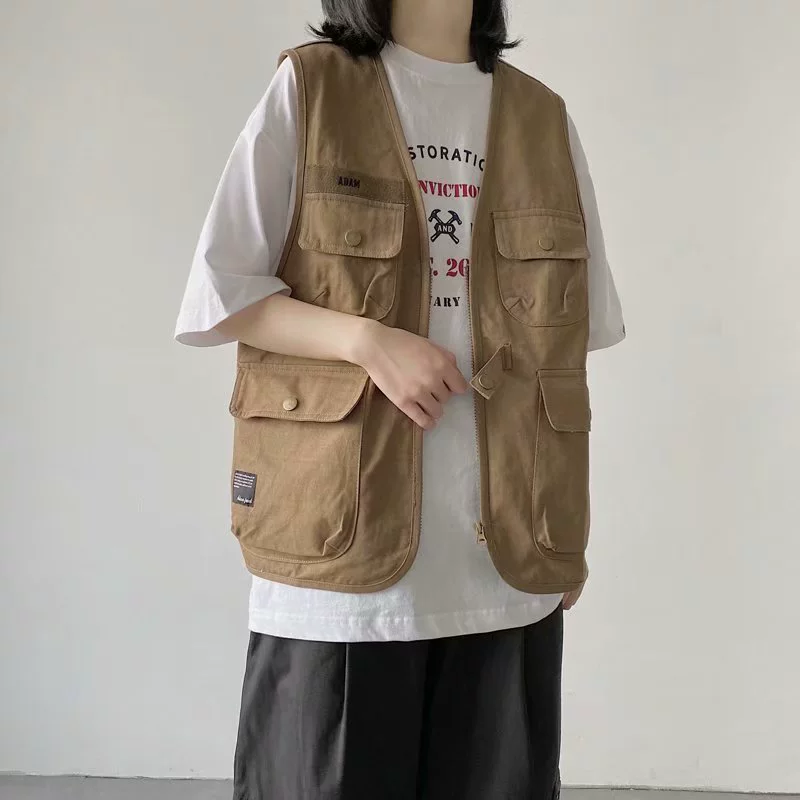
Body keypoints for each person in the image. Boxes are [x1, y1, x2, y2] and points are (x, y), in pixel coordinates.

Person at [174, 0, 625, 797]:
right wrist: (367, 341)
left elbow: (563, 354)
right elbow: (220, 295)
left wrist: (566, 537)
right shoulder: (311, 89)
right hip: (339, 562)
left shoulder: (541, 118)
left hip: (505, 566)